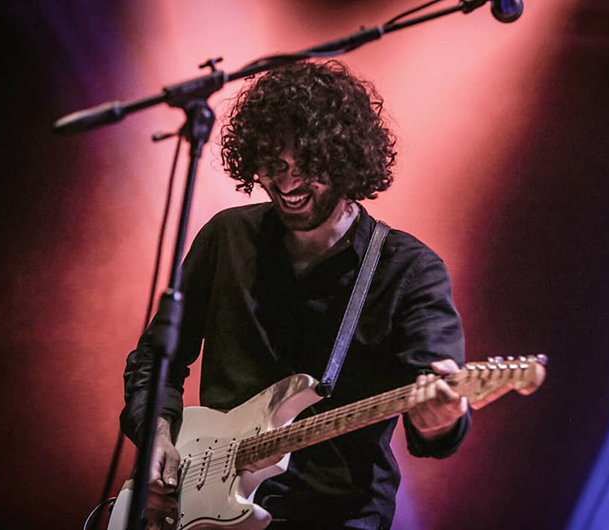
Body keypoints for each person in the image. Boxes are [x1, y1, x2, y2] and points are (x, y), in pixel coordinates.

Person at [120, 60, 471, 529]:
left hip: (336, 517)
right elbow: (154, 360)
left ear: (346, 162)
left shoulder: (409, 270)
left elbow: (434, 416)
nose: (286, 184)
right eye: (274, 164)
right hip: (201, 509)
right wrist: (159, 433)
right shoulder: (227, 238)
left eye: (307, 166)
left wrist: (442, 417)